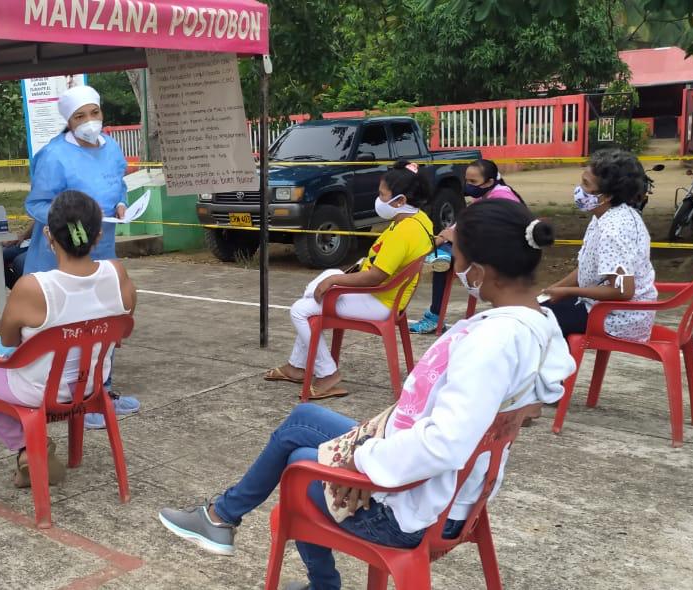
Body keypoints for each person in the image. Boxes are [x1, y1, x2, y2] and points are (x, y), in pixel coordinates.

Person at [159, 199, 574, 590]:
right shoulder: (536, 321)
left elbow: (444, 444)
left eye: (456, 254)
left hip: (414, 508)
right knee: (302, 421)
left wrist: (364, 467)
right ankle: (220, 517)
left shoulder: (492, 342)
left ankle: (310, 575)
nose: (450, 265)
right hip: (434, 479)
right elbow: (546, 390)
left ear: (482, 270)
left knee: (298, 467)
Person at [0, 190, 137, 488]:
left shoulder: (33, 287)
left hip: (36, 391)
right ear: (99, 235)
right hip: (90, 386)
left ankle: (27, 447)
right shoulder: (117, 274)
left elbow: (8, 340)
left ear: (49, 236)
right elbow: (125, 321)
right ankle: (31, 451)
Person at [263, 161, 434, 400]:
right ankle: (297, 366)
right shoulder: (420, 220)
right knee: (313, 293)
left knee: (300, 311)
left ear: (400, 200)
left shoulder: (404, 233)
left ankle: (327, 374)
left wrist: (335, 281)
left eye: (382, 195)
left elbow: (377, 276)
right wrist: (334, 278)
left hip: (379, 300)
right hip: (387, 296)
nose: (378, 199)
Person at [22, 84, 138, 427]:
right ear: (69, 121)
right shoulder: (54, 156)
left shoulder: (111, 147)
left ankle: (101, 392)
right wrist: (76, 224)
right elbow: (38, 204)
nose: (90, 121)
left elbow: (118, 185)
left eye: (94, 113)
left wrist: (121, 204)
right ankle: (69, 400)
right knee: (67, 325)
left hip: (102, 247)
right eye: (80, 116)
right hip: (64, 251)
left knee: (103, 318)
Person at [541, 149, 657, 342]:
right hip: (604, 307)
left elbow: (622, 290)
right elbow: (588, 269)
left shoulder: (613, 230)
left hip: (616, 319)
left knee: (535, 324)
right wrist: (552, 290)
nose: (579, 189)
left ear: (607, 196)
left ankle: (552, 370)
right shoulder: (608, 215)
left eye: (586, 184)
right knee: (536, 311)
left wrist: (568, 292)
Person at [411, 159, 526, 335]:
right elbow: (465, 222)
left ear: (489, 182)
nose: (468, 186)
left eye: (473, 182)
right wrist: (443, 236)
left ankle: (435, 315)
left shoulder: (502, 199)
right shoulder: (485, 195)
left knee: (445, 258)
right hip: (486, 248)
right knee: (443, 257)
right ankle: (435, 312)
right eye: (467, 180)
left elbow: (491, 237)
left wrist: (455, 239)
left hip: (506, 254)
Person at [0, 224, 33, 290]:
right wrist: (23, 236)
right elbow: (37, 223)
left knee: (19, 263)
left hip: (44, 245)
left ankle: (30, 294)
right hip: (30, 242)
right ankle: (18, 292)